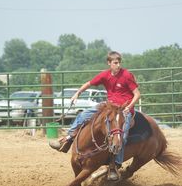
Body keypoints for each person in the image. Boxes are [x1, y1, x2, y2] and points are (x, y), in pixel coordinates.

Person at [49, 51, 141, 179]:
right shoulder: (105, 75)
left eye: (119, 62)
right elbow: (89, 83)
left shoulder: (126, 75)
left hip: (123, 110)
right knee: (83, 115)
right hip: (108, 106)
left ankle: (114, 165)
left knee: (122, 137)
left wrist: (129, 107)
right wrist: (77, 93)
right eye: (115, 62)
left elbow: (137, 94)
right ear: (109, 63)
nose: (118, 65)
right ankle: (67, 140)